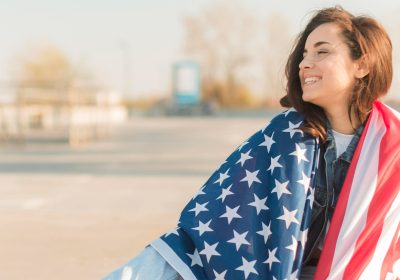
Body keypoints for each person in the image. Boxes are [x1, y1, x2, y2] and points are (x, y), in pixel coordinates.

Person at [103, 6, 400, 280]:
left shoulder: (392, 146)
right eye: (305, 54)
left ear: (362, 65)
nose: (305, 64)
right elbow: (206, 232)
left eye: (321, 52)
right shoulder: (283, 135)